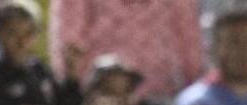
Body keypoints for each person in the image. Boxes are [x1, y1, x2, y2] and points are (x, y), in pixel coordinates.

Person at [48, 0, 203, 99]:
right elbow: (69, 43)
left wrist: (193, 91)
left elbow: (189, 38)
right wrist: (73, 97)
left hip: (156, 103)